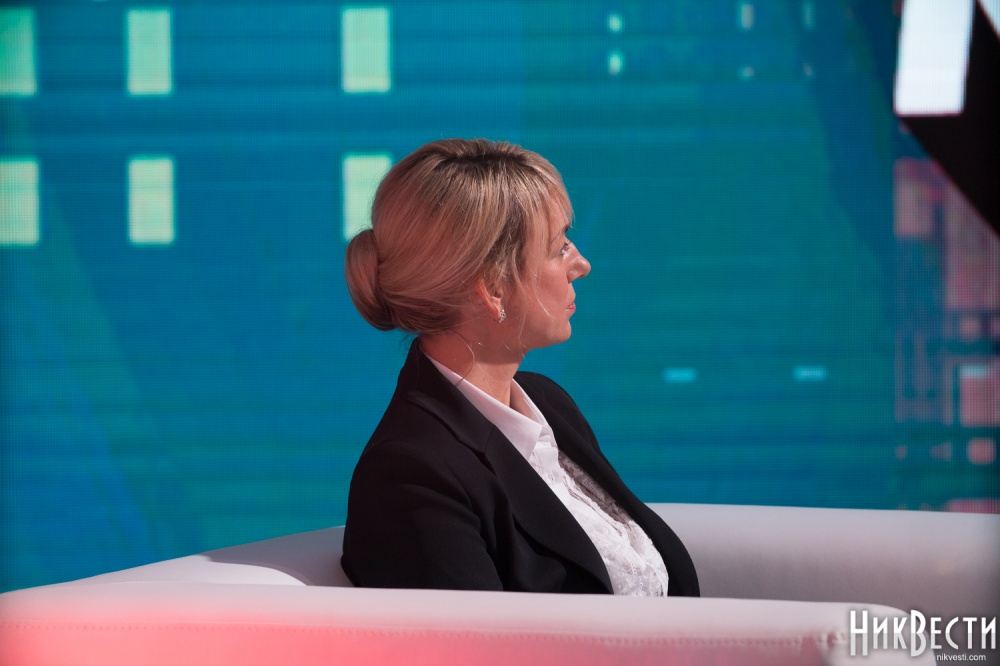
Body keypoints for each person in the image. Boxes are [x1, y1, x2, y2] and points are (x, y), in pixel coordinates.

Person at [341, 138, 699, 596]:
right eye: (559, 248)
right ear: (492, 288)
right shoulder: (408, 476)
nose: (582, 264)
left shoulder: (549, 405)